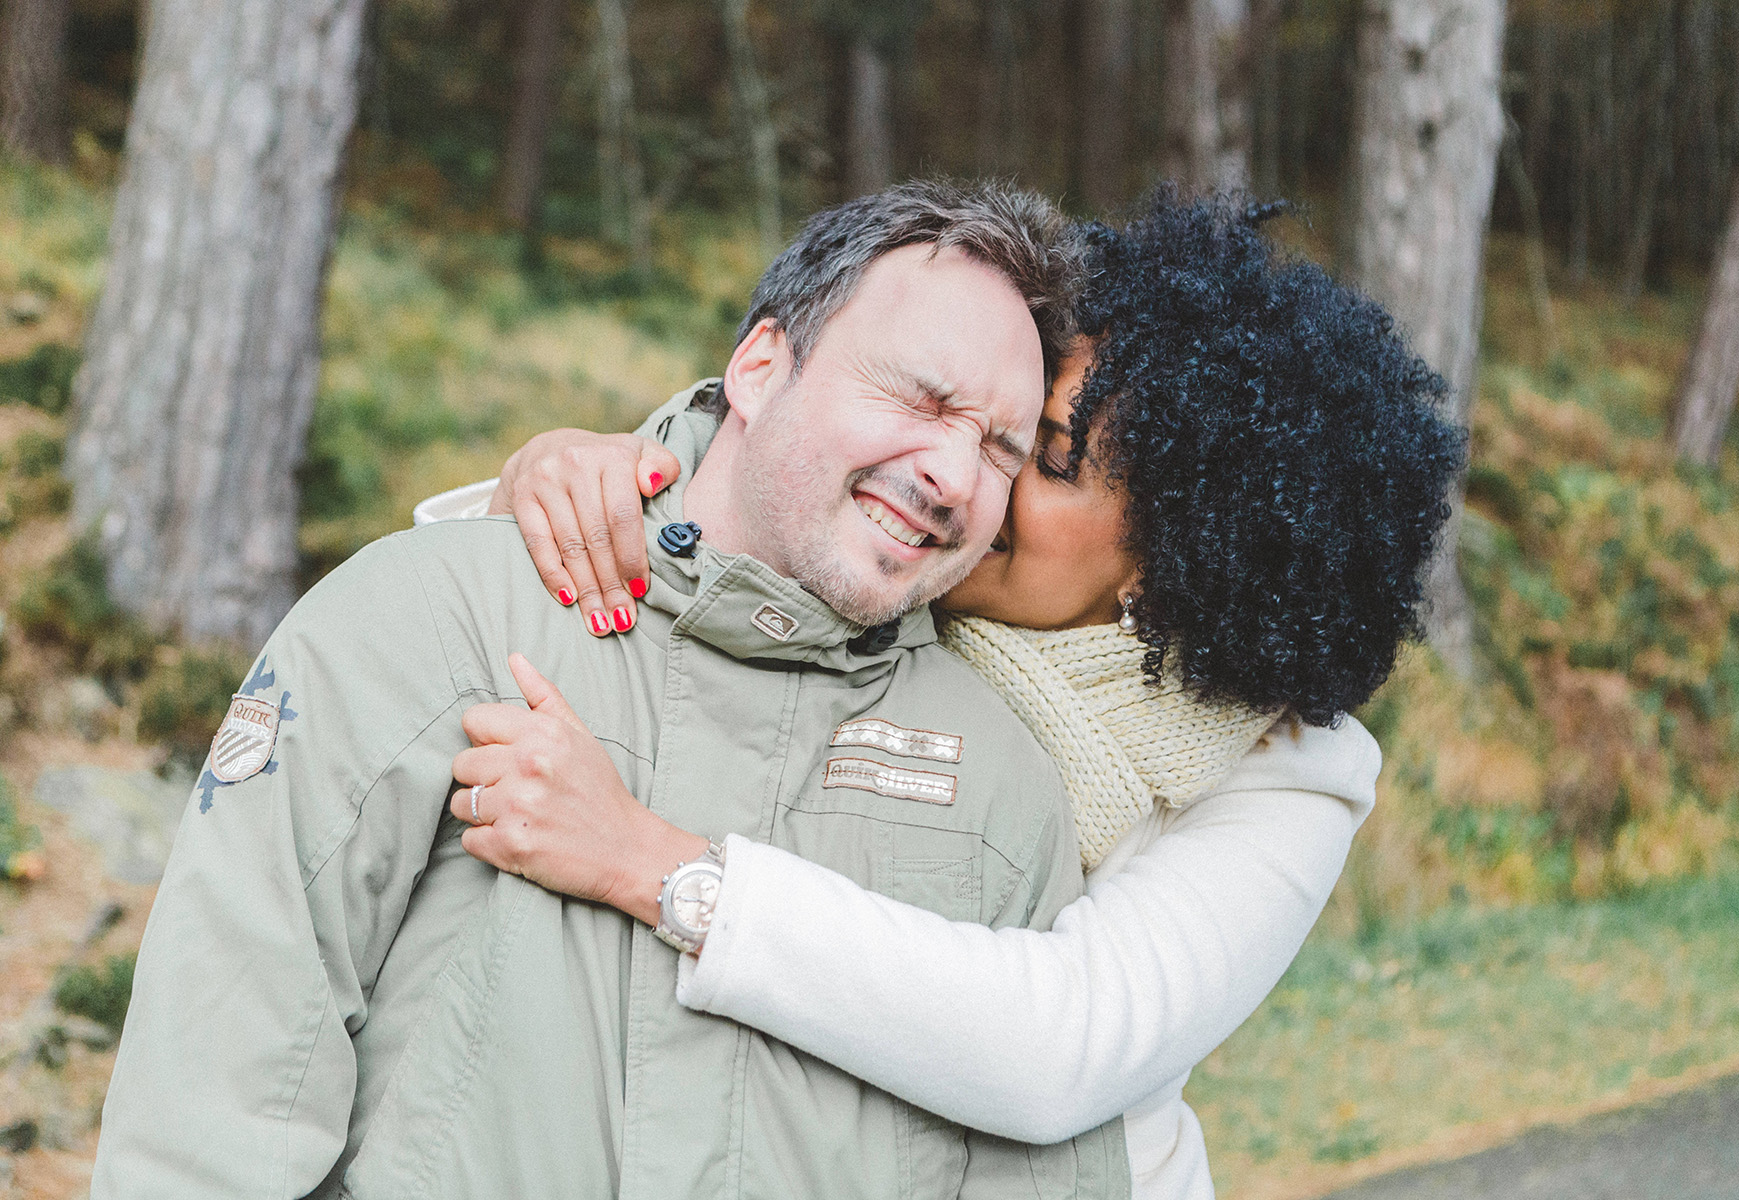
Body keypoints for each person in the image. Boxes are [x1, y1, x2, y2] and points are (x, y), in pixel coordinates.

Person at [93, 181, 1138, 1200]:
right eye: (920, 396)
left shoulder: (1001, 791)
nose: (955, 477)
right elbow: (215, 1113)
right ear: (762, 366)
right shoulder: (428, 626)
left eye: (1001, 447)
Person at [421, 190, 1465, 1199]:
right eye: (1000, 434)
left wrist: (664, 872)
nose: (968, 479)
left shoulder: (1288, 776)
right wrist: (555, 484)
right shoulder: (890, 575)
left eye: (1043, 462)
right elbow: (708, 545)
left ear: (1169, 562)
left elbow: (1061, 1043)